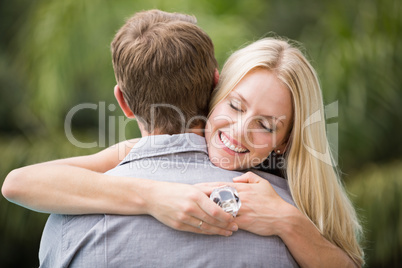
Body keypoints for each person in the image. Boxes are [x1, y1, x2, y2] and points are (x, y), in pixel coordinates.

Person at [1, 10, 364, 268]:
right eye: (236, 106)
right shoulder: (124, 160)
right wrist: (155, 196)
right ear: (215, 88)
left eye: (266, 125)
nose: (238, 132)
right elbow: (17, 183)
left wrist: (288, 222)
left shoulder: (70, 218)